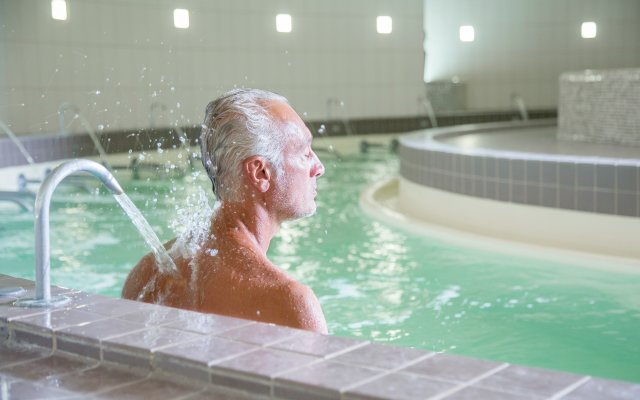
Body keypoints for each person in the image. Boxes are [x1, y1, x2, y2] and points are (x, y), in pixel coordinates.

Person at [122, 88, 328, 333]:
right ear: (260, 173)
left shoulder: (147, 273)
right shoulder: (288, 302)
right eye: (305, 153)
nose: (319, 167)